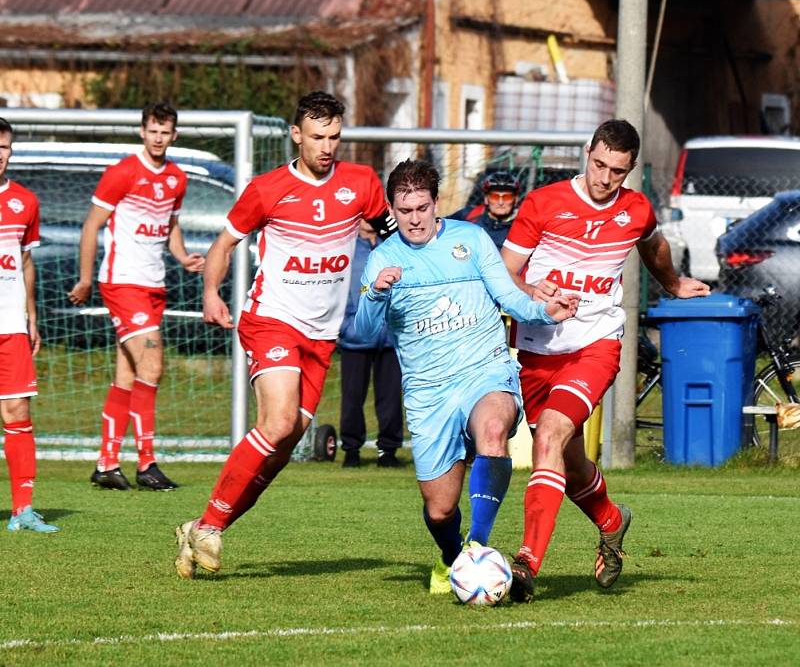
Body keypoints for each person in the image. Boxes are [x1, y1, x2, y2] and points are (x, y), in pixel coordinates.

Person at [174, 90, 396, 579]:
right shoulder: (268, 188)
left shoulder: (360, 183)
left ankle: (203, 525)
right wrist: (211, 293)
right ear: (297, 135)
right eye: (318, 137)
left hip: (321, 336)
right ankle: (210, 526)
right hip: (270, 319)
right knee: (276, 424)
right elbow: (224, 244)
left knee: (287, 441)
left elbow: (392, 236)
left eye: (335, 137)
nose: (327, 146)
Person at [500, 119, 710, 602]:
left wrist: (672, 284)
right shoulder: (544, 203)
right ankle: (612, 521)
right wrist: (531, 291)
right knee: (567, 459)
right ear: (587, 154)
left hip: (596, 345)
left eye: (617, 171)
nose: (604, 178)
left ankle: (526, 565)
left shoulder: (633, 209)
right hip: (537, 349)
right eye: (598, 165)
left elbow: (652, 243)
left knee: (550, 436)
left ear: (630, 169)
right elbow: (505, 273)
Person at [355, 159, 578, 594]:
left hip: (485, 370)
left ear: (437, 203)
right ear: (392, 209)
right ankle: (450, 554)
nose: (415, 219)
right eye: (405, 210)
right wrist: (377, 293)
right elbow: (362, 333)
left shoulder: (471, 239)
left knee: (493, 430)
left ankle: (476, 548)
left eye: (422, 207)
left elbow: (510, 297)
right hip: (428, 391)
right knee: (439, 510)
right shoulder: (383, 259)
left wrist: (544, 311)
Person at [68, 102, 205, 491]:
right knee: (153, 363)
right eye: (153, 130)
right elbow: (91, 226)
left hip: (154, 285)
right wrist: (85, 279)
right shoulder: (123, 172)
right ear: (142, 132)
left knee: (127, 375)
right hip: (123, 283)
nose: (159, 138)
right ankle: (147, 462)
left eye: (166, 132)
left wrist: (181, 257)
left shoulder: (177, 178)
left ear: (174, 135)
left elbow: (171, 225)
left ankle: (107, 464)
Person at [0, 118, 59, 533]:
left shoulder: (24, 201)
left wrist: (31, 315)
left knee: (18, 410)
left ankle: (23, 509)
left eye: (4, 147)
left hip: (10, 323)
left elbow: (24, 261)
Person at [338, 219, 404, 469]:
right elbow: (338, 289)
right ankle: (351, 450)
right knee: (352, 397)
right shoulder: (346, 248)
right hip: (355, 335)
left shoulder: (394, 246)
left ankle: (388, 450)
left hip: (389, 336)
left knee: (390, 397)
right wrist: (344, 324)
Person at [449, 170, 521, 250]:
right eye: (495, 196)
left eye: (507, 197)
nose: (500, 202)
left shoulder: (522, 225)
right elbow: (438, 227)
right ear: (486, 199)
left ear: (516, 200)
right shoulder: (469, 215)